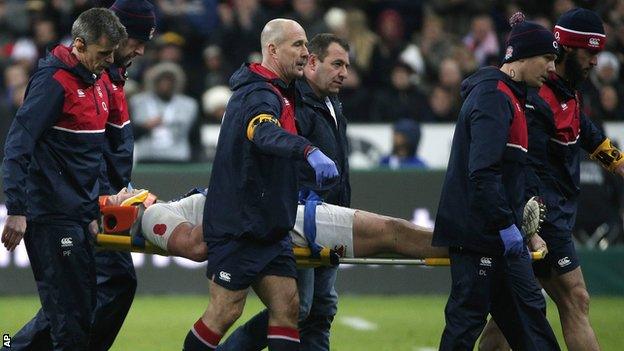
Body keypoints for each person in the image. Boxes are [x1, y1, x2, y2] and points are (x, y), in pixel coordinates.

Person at [182, 19, 338, 351]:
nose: (305, 52)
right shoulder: (257, 95)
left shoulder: (282, 92)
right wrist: (308, 151)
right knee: (225, 311)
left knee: (288, 308)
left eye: (306, 44)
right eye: (297, 45)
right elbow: (262, 131)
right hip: (239, 226)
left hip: (269, 226)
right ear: (272, 49)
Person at [479, 8, 624, 351]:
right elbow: (521, 165)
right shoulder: (537, 95)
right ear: (569, 50)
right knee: (575, 299)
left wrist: (617, 162)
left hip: (548, 214)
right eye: (590, 53)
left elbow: (584, 131)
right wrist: (532, 228)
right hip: (540, 217)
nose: (594, 62)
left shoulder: (567, 89)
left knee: (509, 312)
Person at [431, 13, 561, 350]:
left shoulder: (511, 97)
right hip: (482, 238)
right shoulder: (494, 97)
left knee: (528, 321)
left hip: (499, 239)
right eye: (547, 58)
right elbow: (483, 173)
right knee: (473, 324)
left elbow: (505, 174)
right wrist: (507, 225)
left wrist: (523, 231)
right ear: (519, 58)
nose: (552, 68)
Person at [0, 8, 127, 351]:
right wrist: (16, 209)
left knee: (77, 317)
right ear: (79, 45)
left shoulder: (98, 82)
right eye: (103, 54)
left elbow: (90, 158)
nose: (108, 61)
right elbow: (17, 145)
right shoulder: (53, 83)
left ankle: (8, 345)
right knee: (70, 325)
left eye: (112, 54)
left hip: (76, 217)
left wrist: (93, 209)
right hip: (51, 217)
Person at [94, 1, 156, 349]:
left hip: (103, 195)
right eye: (135, 38)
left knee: (100, 289)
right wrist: (106, 194)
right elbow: (84, 149)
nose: (141, 49)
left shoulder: (113, 76)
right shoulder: (93, 78)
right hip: (89, 201)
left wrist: (123, 187)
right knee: (106, 286)